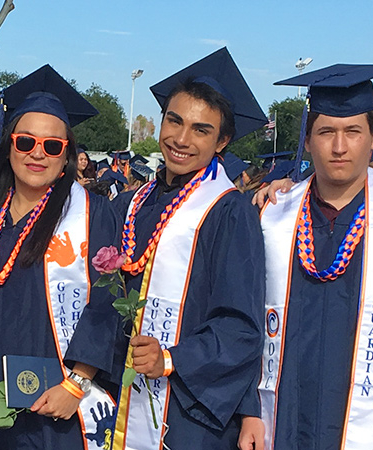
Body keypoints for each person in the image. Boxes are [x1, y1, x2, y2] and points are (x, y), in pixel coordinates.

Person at [244, 64, 373, 450]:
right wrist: (249, 409)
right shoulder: (272, 215)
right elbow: (245, 321)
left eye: (353, 132)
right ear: (309, 137)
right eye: (326, 131)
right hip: (281, 421)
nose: (339, 146)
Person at [106, 48, 267, 450]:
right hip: (119, 394)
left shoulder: (229, 211)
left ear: (222, 141)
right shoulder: (131, 204)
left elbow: (239, 325)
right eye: (174, 121)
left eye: (201, 130)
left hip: (188, 406)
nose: (180, 139)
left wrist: (172, 359)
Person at [0, 64, 124, 449]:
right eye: (25, 142)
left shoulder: (91, 214)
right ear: (9, 147)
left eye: (52, 146)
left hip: (62, 406)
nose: (38, 154)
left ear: (66, 154)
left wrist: (77, 384)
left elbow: (109, 304)